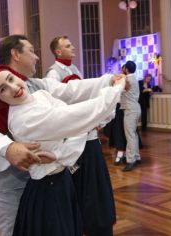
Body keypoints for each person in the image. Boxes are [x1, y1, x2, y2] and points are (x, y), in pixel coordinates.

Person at [0, 34, 124, 236]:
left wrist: (108, 80)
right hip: (9, 183)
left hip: (43, 180)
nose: (36, 57)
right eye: (31, 51)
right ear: (16, 54)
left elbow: (71, 90)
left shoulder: (37, 86)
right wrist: (7, 148)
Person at [45, 35, 116, 235]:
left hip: (87, 132)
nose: (73, 47)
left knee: (94, 183)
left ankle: (95, 222)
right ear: (58, 52)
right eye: (68, 46)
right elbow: (59, 102)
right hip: (74, 134)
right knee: (82, 184)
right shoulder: (53, 74)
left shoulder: (75, 69)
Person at [120, 61, 141, 171]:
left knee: (130, 135)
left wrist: (121, 73)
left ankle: (130, 160)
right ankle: (136, 156)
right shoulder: (134, 78)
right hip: (136, 108)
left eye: (123, 68)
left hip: (130, 110)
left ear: (126, 69)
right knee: (134, 134)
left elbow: (118, 87)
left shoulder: (126, 79)